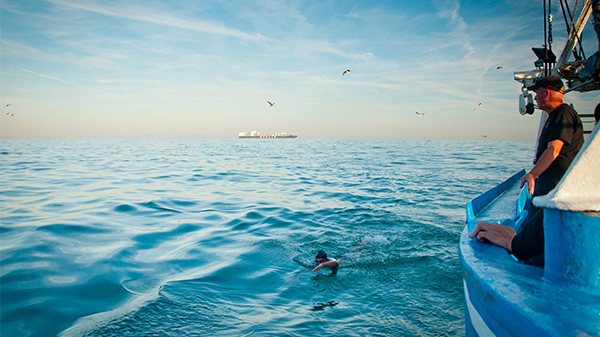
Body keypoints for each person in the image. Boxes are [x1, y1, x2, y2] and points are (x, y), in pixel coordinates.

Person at [469, 75, 584, 266]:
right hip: (550, 188)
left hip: (555, 188)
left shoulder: (563, 113)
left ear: (546, 92)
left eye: (536, 92)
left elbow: (554, 149)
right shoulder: (556, 115)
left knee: (542, 237)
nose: (535, 98)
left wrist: (533, 174)